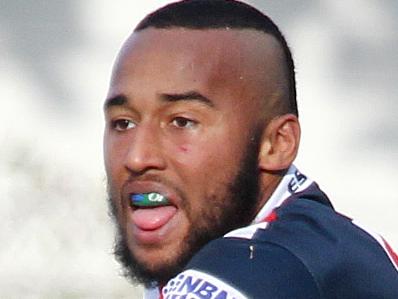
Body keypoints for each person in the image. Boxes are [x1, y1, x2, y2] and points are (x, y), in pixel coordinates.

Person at [103, 0, 398, 298]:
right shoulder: (318, 244)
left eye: (182, 121)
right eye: (123, 123)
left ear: (277, 144)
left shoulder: (263, 265)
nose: (137, 157)